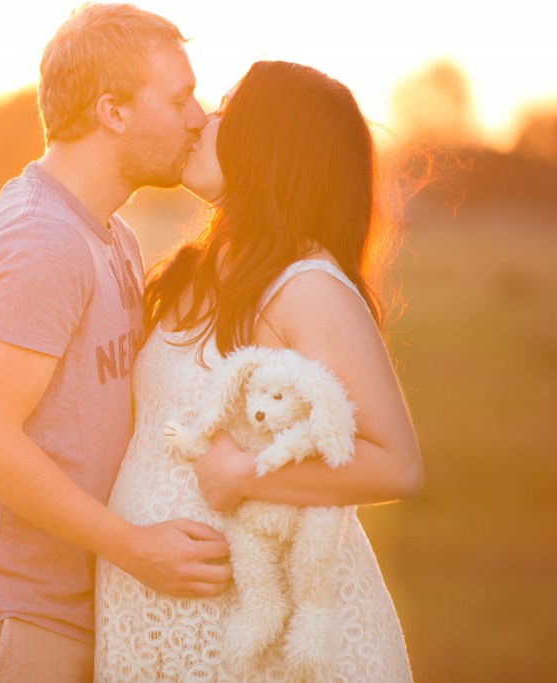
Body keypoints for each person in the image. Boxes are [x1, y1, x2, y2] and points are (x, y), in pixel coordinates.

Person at [0, 4, 235, 681]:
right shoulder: (41, 240)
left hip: (46, 612)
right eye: (179, 97)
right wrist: (133, 546)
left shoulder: (112, 237)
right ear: (113, 111)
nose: (198, 117)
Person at [95, 60, 424, 681]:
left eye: (224, 110)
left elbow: (396, 462)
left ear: (267, 146)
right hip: (163, 628)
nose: (201, 121)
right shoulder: (196, 271)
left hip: (264, 642)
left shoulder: (307, 287)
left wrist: (245, 474)